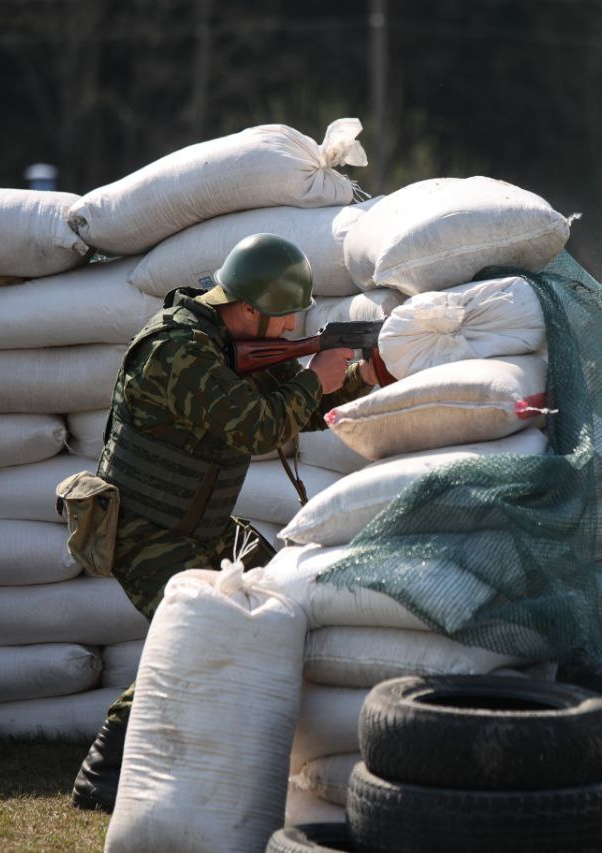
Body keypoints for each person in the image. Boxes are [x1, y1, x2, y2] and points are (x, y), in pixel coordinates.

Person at [70, 233, 376, 813]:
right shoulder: (177, 350)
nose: (290, 331)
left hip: (202, 525)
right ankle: (104, 771)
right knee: (194, 635)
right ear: (248, 309)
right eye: (284, 320)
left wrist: (365, 373)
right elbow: (258, 427)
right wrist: (317, 374)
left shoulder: (227, 341)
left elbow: (299, 405)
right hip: (142, 528)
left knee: (276, 596)